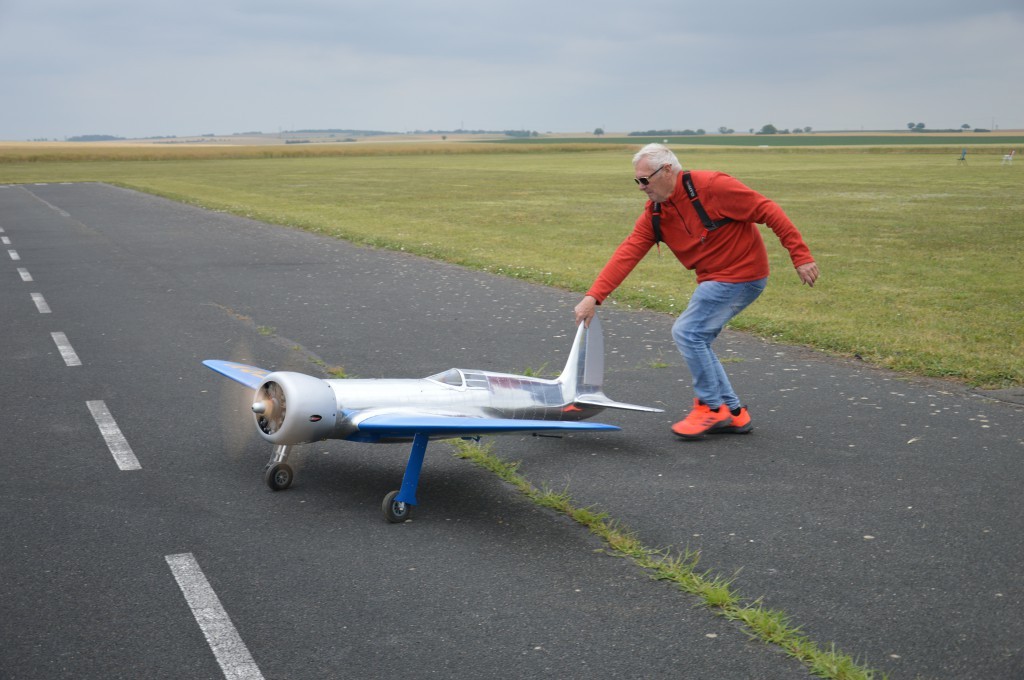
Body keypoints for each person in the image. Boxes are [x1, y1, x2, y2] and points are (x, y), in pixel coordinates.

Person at [574, 143, 819, 439]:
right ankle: (733, 412)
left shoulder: (713, 186)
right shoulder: (656, 213)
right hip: (713, 280)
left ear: (667, 171)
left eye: (644, 180)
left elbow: (767, 209)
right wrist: (594, 296)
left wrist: (800, 255)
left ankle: (710, 408)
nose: (641, 187)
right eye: (636, 181)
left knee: (688, 332)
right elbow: (629, 251)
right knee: (697, 337)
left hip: (742, 275)